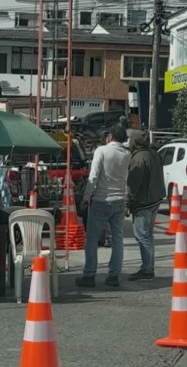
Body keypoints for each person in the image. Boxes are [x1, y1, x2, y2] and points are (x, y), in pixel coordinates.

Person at [75, 123, 131, 288]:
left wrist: (86, 197)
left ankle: (89, 275)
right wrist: (126, 200)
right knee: (117, 239)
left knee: (92, 238)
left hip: (101, 199)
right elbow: (125, 179)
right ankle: (114, 275)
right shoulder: (127, 154)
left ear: (110, 137)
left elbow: (93, 176)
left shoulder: (102, 151)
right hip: (119, 200)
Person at [126, 129, 166, 281]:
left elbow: (133, 184)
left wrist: (128, 202)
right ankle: (149, 267)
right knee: (148, 236)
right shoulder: (153, 154)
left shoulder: (139, 158)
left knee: (142, 236)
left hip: (143, 201)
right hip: (155, 199)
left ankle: (147, 269)